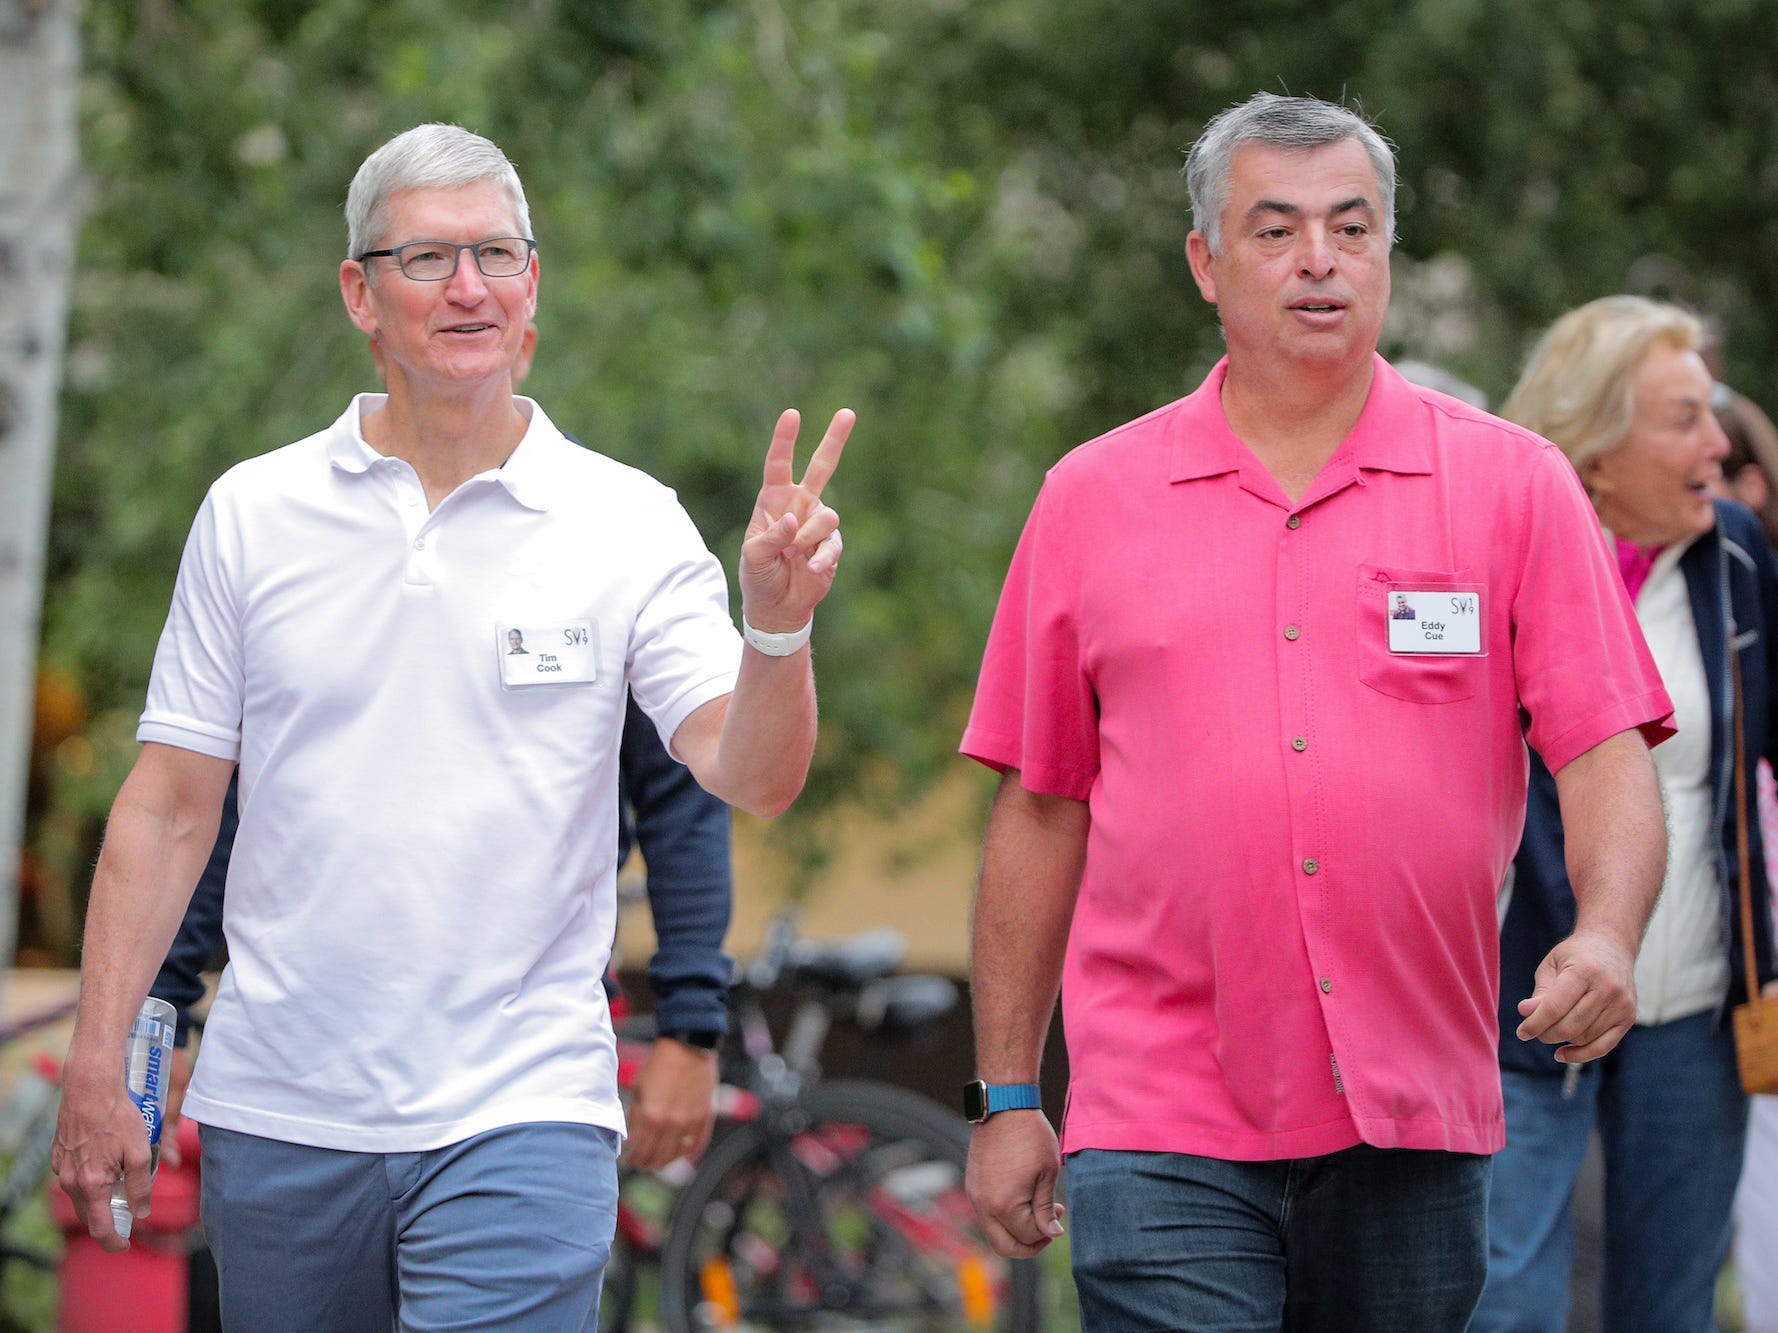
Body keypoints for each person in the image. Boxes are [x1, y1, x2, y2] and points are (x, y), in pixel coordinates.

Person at [52, 122, 852, 1332]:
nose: (467, 286)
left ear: (534, 288)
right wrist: (104, 1060)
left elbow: (751, 772)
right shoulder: (251, 514)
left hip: (521, 1106)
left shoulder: (626, 522)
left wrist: (777, 630)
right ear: (358, 293)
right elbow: (167, 809)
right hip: (282, 1109)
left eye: (496, 253)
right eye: (427, 259)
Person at [960, 92, 1673, 1331]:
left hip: (1415, 1102)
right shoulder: (1092, 497)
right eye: (1276, 229)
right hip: (1158, 1109)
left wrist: (1607, 933)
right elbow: (1038, 810)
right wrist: (1007, 1092)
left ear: (1386, 253)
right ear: (1204, 262)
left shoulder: (1512, 487)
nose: (1317, 262)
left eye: (1350, 229)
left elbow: (1603, 751)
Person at [1472, 296, 1778, 1333]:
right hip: (1518, 1005)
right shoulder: (1495, 556)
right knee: (1501, 1299)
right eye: (1683, 417)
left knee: (1667, 1306)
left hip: (1691, 1007)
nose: (1718, 444)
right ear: (1595, 451)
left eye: (1711, 412)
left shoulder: (1733, 556)